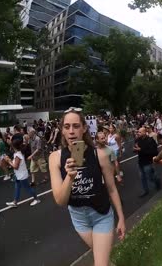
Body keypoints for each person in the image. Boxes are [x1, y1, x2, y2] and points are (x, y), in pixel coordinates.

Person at [49, 108, 125, 266]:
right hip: (79, 218)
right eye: (67, 126)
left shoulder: (100, 155)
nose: (71, 131)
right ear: (62, 130)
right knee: (102, 259)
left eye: (76, 126)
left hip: (101, 214)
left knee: (100, 263)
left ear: (84, 128)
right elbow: (61, 201)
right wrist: (69, 177)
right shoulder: (55, 158)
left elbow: (111, 189)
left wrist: (121, 218)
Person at [3, 138, 41, 207]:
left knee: (28, 188)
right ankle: (15, 202)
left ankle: (36, 199)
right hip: (19, 175)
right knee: (17, 187)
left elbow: (15, 167)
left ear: (14, 146)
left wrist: (8, 161)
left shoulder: (18, 155)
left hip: (22, 175)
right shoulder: (17, 153)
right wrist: (9, 160)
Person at [134, 127, 161, 197]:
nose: (138, 133)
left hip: (148, 162)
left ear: (144, 132)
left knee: (150, 177)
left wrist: (141, 149)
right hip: (140, 162)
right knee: (142, 177)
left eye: (140, 132)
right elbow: (136, 149)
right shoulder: (138, 140)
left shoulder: (150, 140)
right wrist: (135, 149)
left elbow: (154, 152)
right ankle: (145, 190)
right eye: (138, 132)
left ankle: (157, 181)